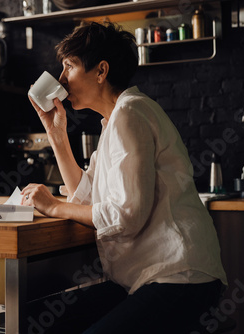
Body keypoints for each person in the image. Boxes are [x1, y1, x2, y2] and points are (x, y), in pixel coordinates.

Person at [21, 21, 227, 333]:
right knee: (32, 320)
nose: (62, 79)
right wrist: (56, 134)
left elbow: (127, 215)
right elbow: (89, 197)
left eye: (69, 66)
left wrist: (54, 207)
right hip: (144, 279)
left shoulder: (130, 114)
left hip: (180, 277)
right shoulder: (116, 120)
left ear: (101, 71)